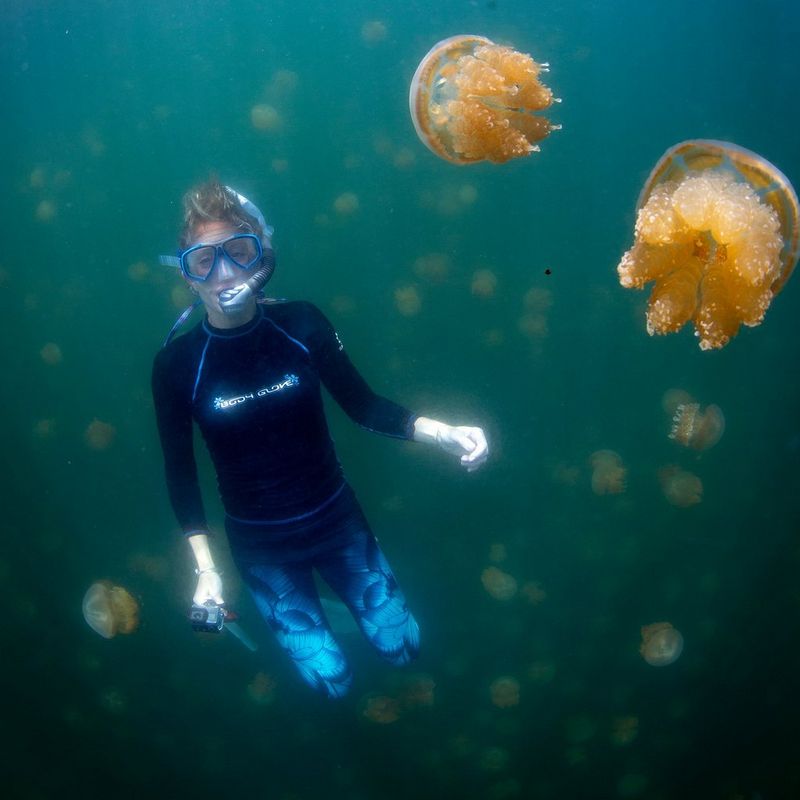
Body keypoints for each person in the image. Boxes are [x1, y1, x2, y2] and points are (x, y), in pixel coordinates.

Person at [152, 181, 489, 698]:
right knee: (331, 682)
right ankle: (332, 628)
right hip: (261, 546)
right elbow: (181, 476)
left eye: (237, 253)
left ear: (262, 257)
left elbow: (364, 405)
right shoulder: (176, 366)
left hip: (337, 520)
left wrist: (442, 433)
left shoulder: (302, 323)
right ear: (185, 272)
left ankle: (350, 613)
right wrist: (207, 572)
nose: (223, 275)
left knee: (404, 649)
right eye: (203, 261)